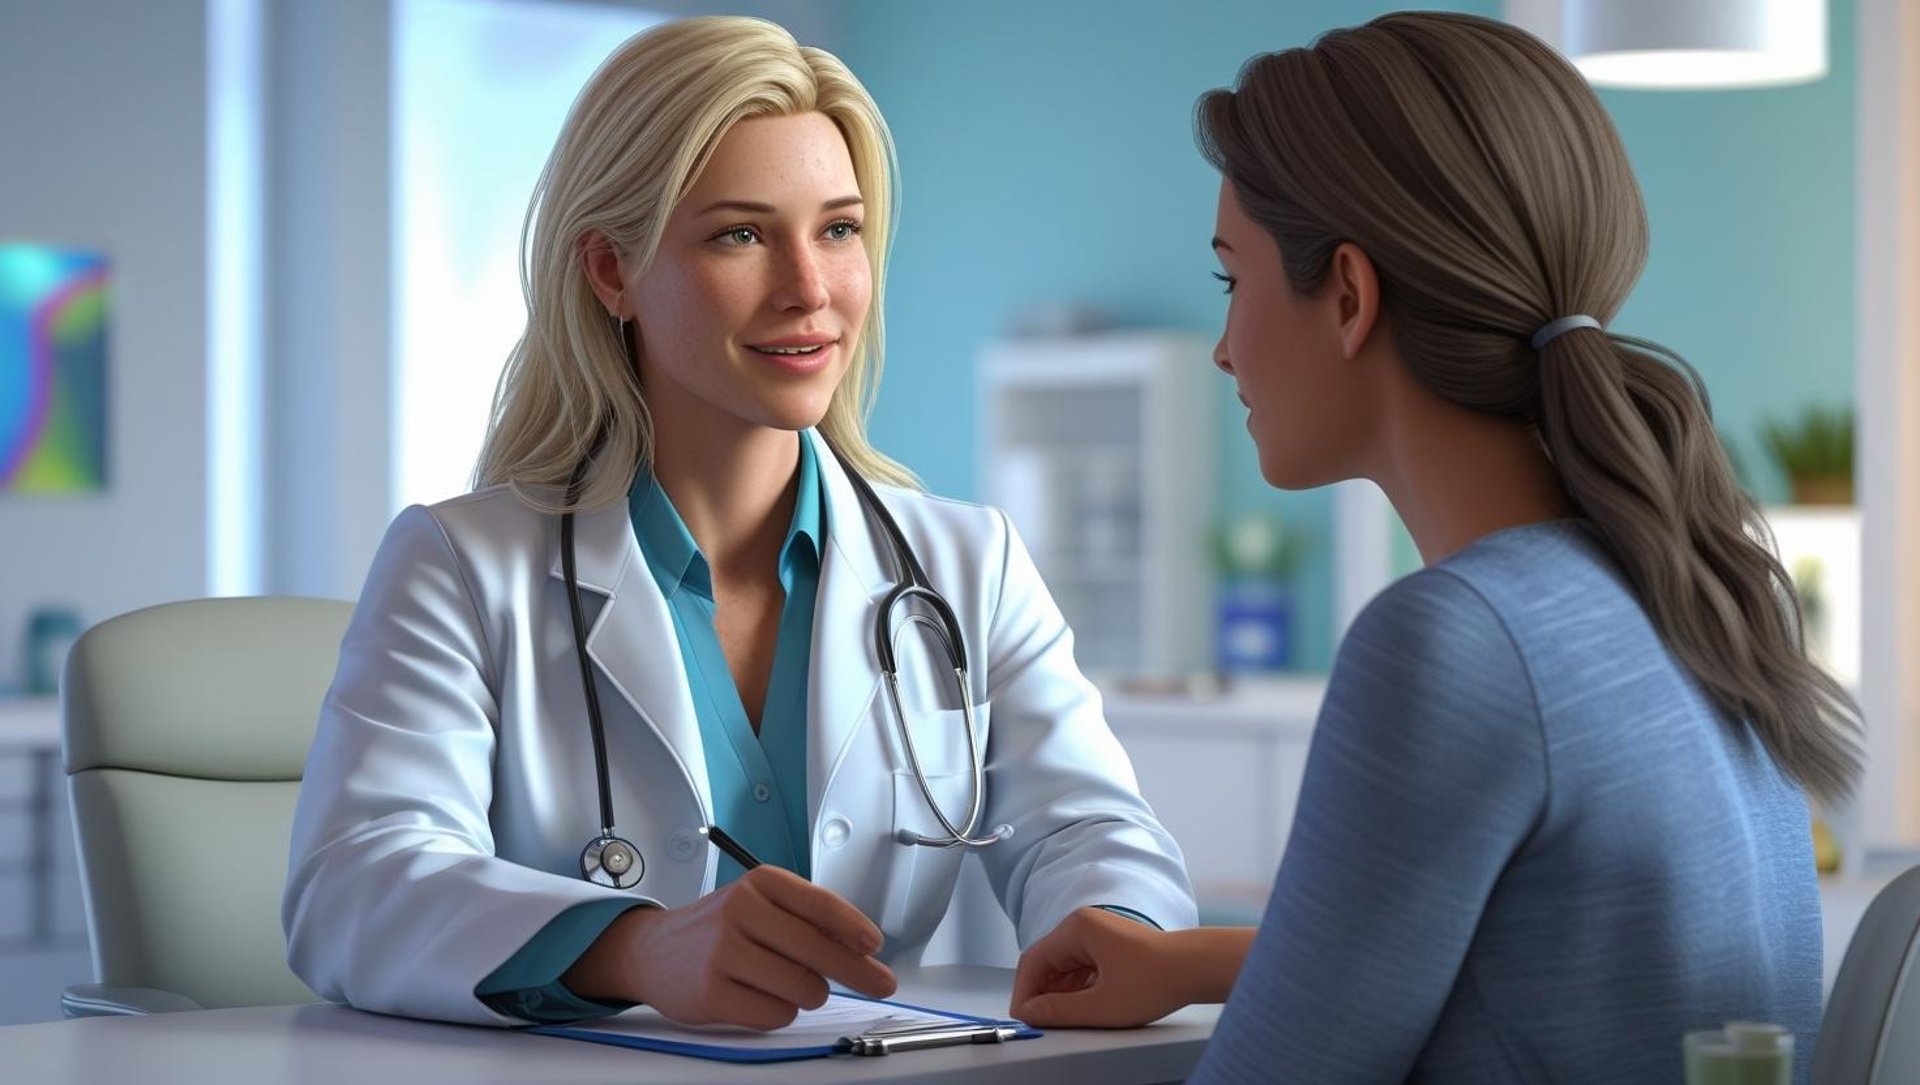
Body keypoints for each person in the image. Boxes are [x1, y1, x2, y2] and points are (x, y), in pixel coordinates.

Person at [283, 15, 1194, 1031]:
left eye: (839, 229)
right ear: (611, 272)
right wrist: (633, 945)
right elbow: (355, 884)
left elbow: (1093, 828)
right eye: (741, 234)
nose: (810, 289)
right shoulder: (461, 564)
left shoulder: (963, 564)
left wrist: (1112, 919)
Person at [1008, 12, 1862, 1083]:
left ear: (1352, 298)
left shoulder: (1458, 640)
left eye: (1235, 279)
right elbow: (1557, 956)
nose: (1225, 346)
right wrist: (1192, 960)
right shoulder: (1674, 586)